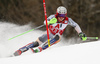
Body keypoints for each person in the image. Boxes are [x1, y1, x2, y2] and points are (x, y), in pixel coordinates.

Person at [13, 6, 87, 56]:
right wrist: (50, 22)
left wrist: (80, 33)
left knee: (57, 37)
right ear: (57, 14)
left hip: (57, 35)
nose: (61, 18)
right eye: (60, 16)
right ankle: (21, 50)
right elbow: (45, 22)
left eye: (63, 16)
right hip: (49, 32)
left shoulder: (68, 20)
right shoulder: (53, 17)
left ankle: (40, 49)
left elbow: (76, 25)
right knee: (37, 42)